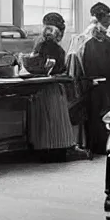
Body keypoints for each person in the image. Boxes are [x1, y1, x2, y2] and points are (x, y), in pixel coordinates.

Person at [67, 2, 110, 155]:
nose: (105, 30)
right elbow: (78, 73)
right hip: (93, 88)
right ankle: (98, 145)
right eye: (103, 24)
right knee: (97, 112)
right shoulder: (83, 44)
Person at [29, 12, 75, 162]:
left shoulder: (40, 45)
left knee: (47, 122)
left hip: (43, 88)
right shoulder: (57, 49)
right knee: (55, 122)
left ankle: (47, 151)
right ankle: (58, 151)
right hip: (52, 88)